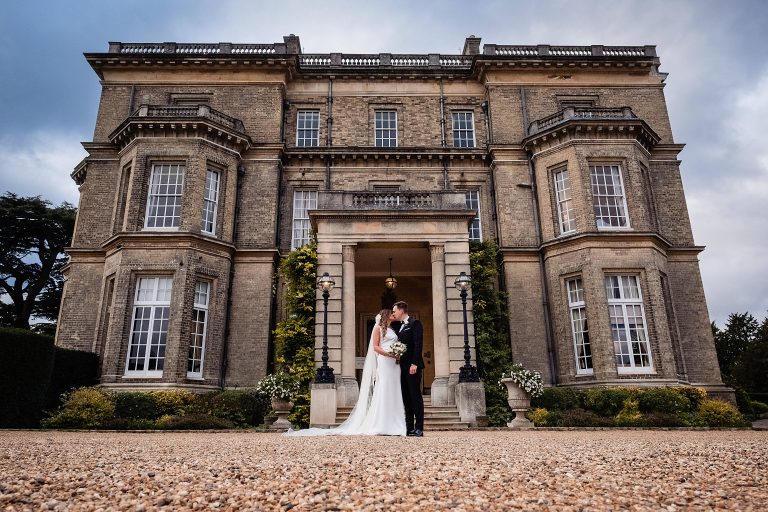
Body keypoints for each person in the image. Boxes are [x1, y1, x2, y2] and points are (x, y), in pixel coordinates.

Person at [285, 309, 406, 436]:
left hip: (394, 363)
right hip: (385, 361)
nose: (394, 314)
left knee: (394, 389)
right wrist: (389, 354)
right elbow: (375, 347)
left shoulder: (391, 330)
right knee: (384, 388)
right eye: (391, 313)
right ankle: (382, 423)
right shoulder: (377, 328)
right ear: (386, 316)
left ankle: (394, 422)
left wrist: (397, 353)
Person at [391, 301, 425, 437]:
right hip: (402, 367)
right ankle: (409, 427)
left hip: (412, 366)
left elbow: (418, 344)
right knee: (406, 397)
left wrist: (414, 363)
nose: (393, 313)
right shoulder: (401, 326)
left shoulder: (415, 323)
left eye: (394, 311)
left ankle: (419, 428)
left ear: (401, 310)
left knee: (415, 396)